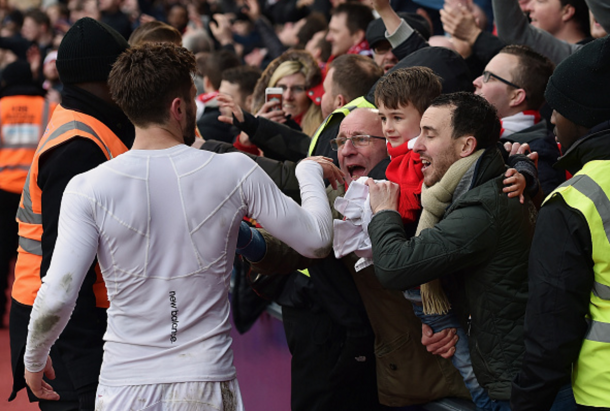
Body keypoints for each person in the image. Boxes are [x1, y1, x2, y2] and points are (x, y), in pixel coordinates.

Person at [23, 42, 336, 411]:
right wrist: (308, 172)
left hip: (125, 384)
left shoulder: (88, 187)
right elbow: (316, 241)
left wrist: (34, 358)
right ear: (178, 107)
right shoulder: (232, 170)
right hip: (205, 382)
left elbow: (58, 292)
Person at [242, 108, 471, 409]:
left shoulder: (422, 189)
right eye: (340, 142)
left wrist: (456, 320)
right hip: (402, 371)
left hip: (450, 359)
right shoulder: (338, 193)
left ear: (389, 143)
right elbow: (291, 245)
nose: (347, 150)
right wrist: (244, 237)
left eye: (361, 139)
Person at [367, 92, 534, 410]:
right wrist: (440, 323)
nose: (416, 146)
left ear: (466, 146)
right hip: (504, 376)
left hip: (511, 389)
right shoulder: (468, 188)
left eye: (429, 134)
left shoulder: (484, 207)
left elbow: (394, 266)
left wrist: (385, 213)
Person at [9, 17, 134, 411]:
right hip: (65, 328)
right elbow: (64, 271)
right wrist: (84, 375)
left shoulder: (88, 124)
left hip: (61, 319)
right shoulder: (80, 144)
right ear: (107, 77)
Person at [511, 35, 610, 411]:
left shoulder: (576, 199)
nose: (551, 117)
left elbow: (550, 331)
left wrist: (526, 403)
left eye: (559, 107)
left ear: (586, 115)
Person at [0, 60, 56, 328]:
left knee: (0, 254)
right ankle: (38, 310)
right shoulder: (49, 108)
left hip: (2, 190)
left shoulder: (0, 107)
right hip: (35, 192)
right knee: (36, 254)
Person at [473, 45, 564, 197]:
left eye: (489, 77)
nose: (476, 81)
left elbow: (544, 213)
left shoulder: (539, 152)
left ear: (516, 97)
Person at [249, 49, 323, 137]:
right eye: (282, 88)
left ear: (311, 94)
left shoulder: (321, 134)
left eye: (298, 89)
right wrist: (250, 134)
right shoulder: (257, 125)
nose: (288, 97)